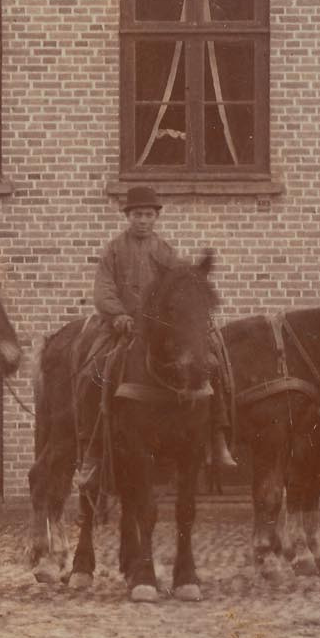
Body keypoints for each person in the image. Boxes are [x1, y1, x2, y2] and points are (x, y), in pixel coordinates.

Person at [94, 186, 238, 474]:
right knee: (98, 362)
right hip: (123, 324)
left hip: (157, 329)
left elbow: (181, 289)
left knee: (210, 360)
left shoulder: (166, 252)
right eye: (137, 215)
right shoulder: (114, 250)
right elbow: (104, 289)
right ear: (128, 216)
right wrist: (118, 315)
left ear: (156, 217)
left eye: (148, 215)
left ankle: (217, 437)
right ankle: (94, 444)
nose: (143, 220)